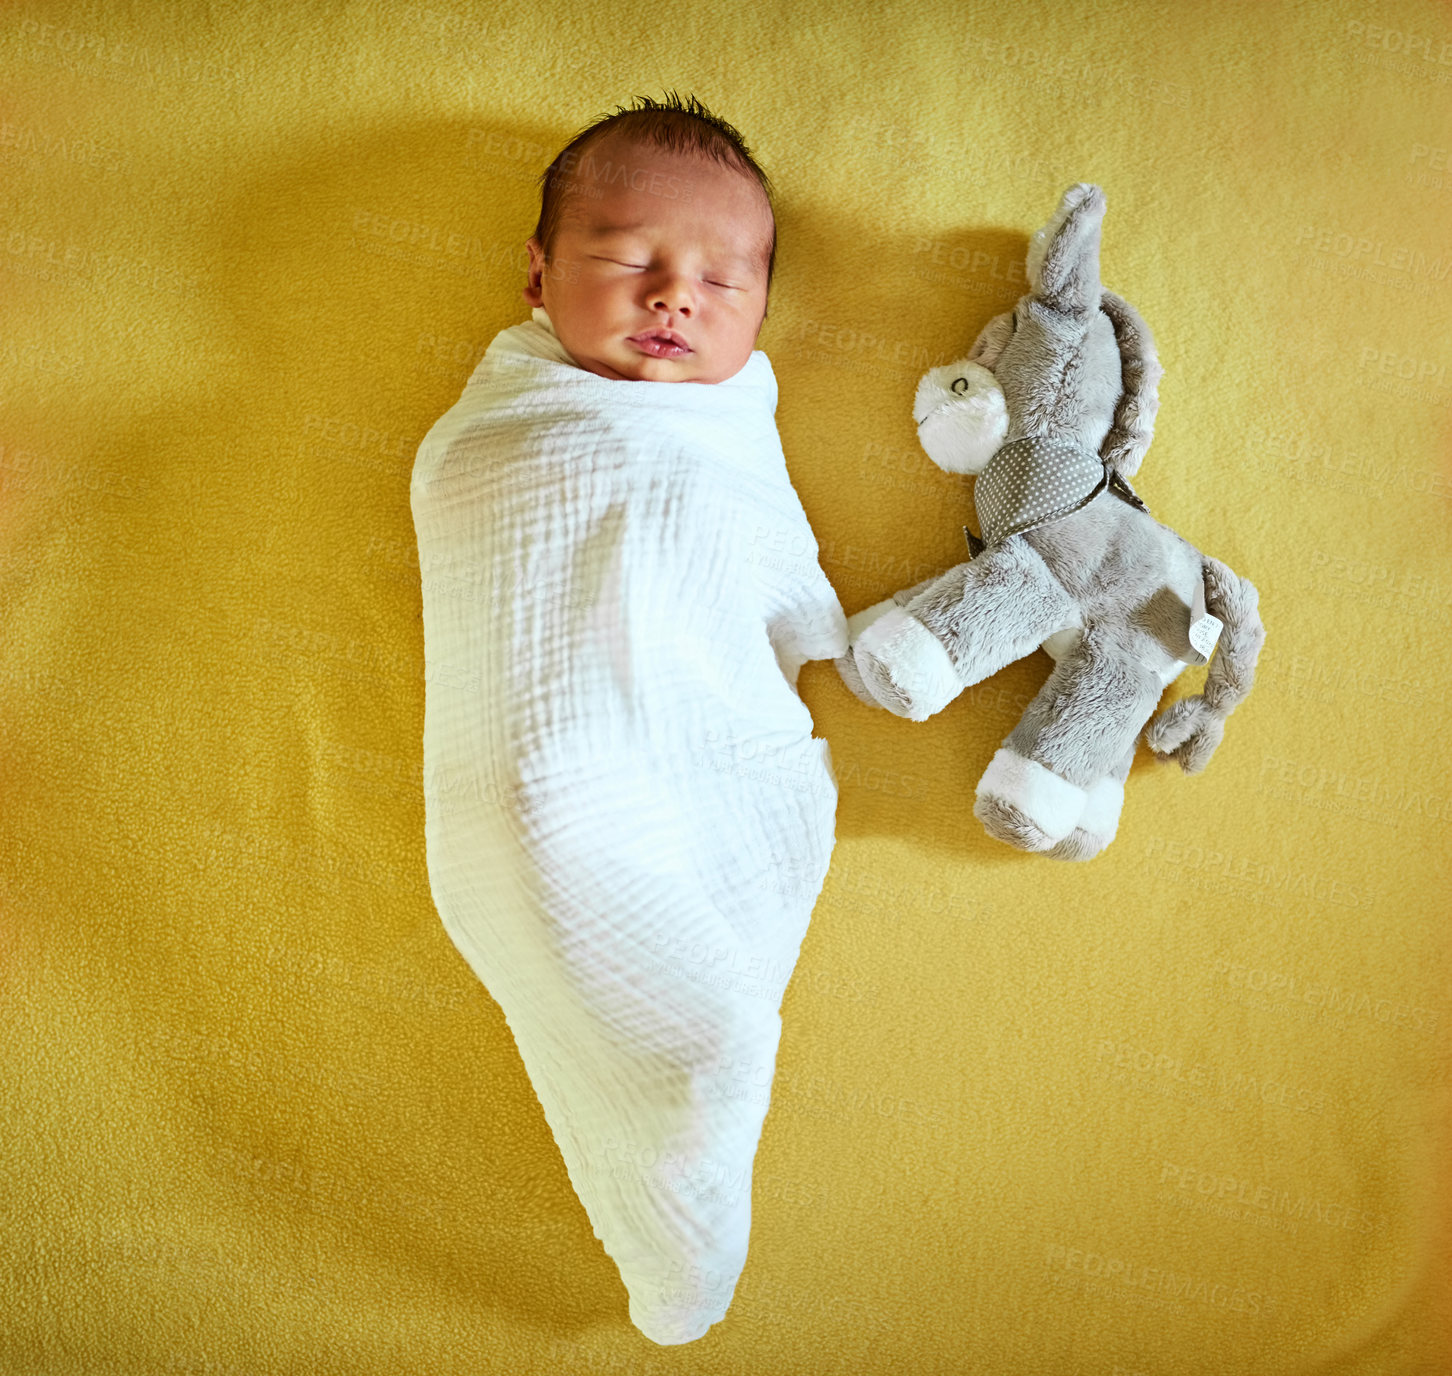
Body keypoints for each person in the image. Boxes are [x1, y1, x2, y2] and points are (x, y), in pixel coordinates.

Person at [411, 91, 846, 1346]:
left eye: (722, 279)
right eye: (631, 258)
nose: (675, 296)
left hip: (695, 775)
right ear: (539, 273)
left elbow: (774, 585)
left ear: (761, 315)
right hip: (532, 783)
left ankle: (678, 1214)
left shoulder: (731, 437)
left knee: (711, 1021)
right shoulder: (498, 436)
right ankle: (680, 1217)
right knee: (575, 861)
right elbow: (471, 505)